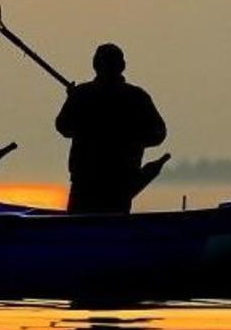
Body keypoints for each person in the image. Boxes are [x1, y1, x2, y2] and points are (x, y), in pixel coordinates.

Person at [56, 43, 166, 214]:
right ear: (122, 66)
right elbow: (158, 134)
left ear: (95, 65)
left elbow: (63, 126)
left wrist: (73, 100)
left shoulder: (82, 94)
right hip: (119, 185)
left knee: (78, 233)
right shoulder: (137, 97)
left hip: (87, 185)